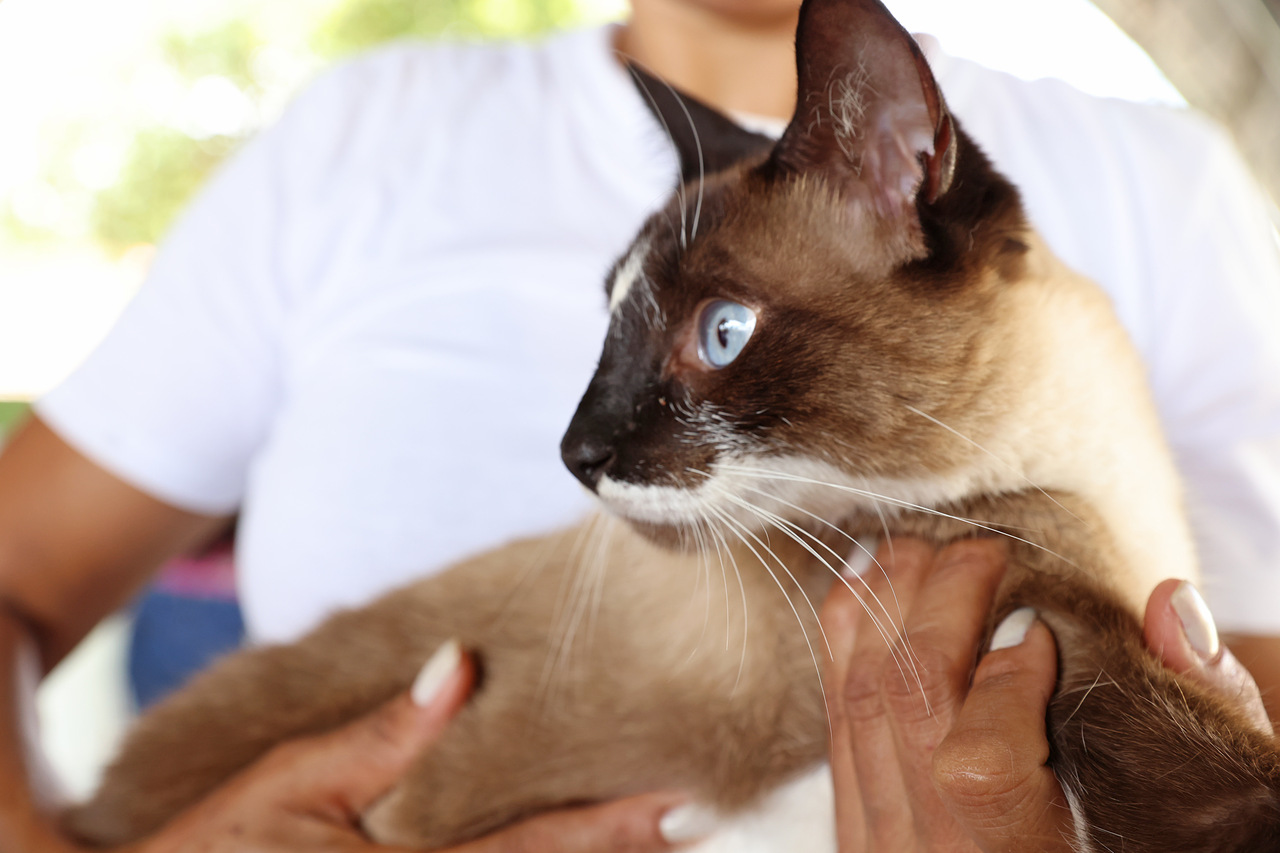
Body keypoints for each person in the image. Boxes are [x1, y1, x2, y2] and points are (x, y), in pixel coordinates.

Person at [1, 0, 1278, 849]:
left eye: (713, 334)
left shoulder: (1151, 175)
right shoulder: (363, 134)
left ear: (906, 171)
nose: (586, 461)